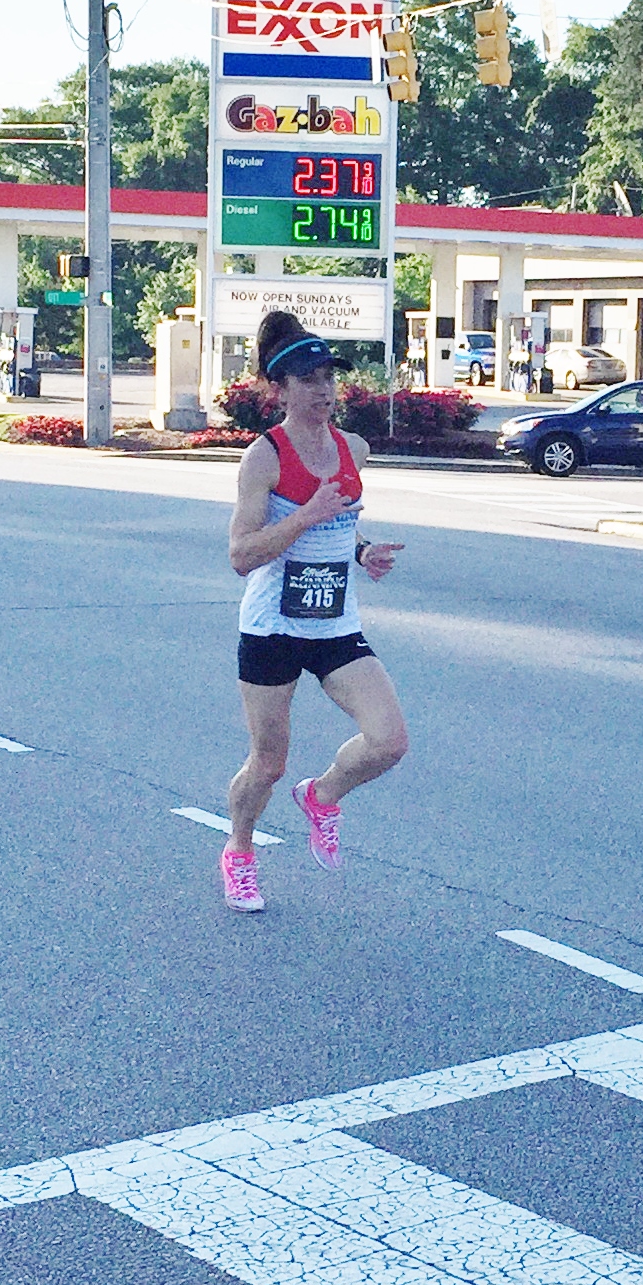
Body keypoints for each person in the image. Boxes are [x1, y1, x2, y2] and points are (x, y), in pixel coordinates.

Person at [217, 311, 408, 913]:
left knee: (389, 741)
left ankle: (322, 797)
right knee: (268, 763)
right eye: (308, 379)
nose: (324, 390)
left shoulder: (354, 449)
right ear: (279, 390)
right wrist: (305, 516)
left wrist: (362, 551)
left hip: (334, 625)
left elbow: (340, 526)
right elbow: (241, 555)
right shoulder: (264, 458)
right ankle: (239, 851)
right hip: (272, 628)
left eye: (329, 377)